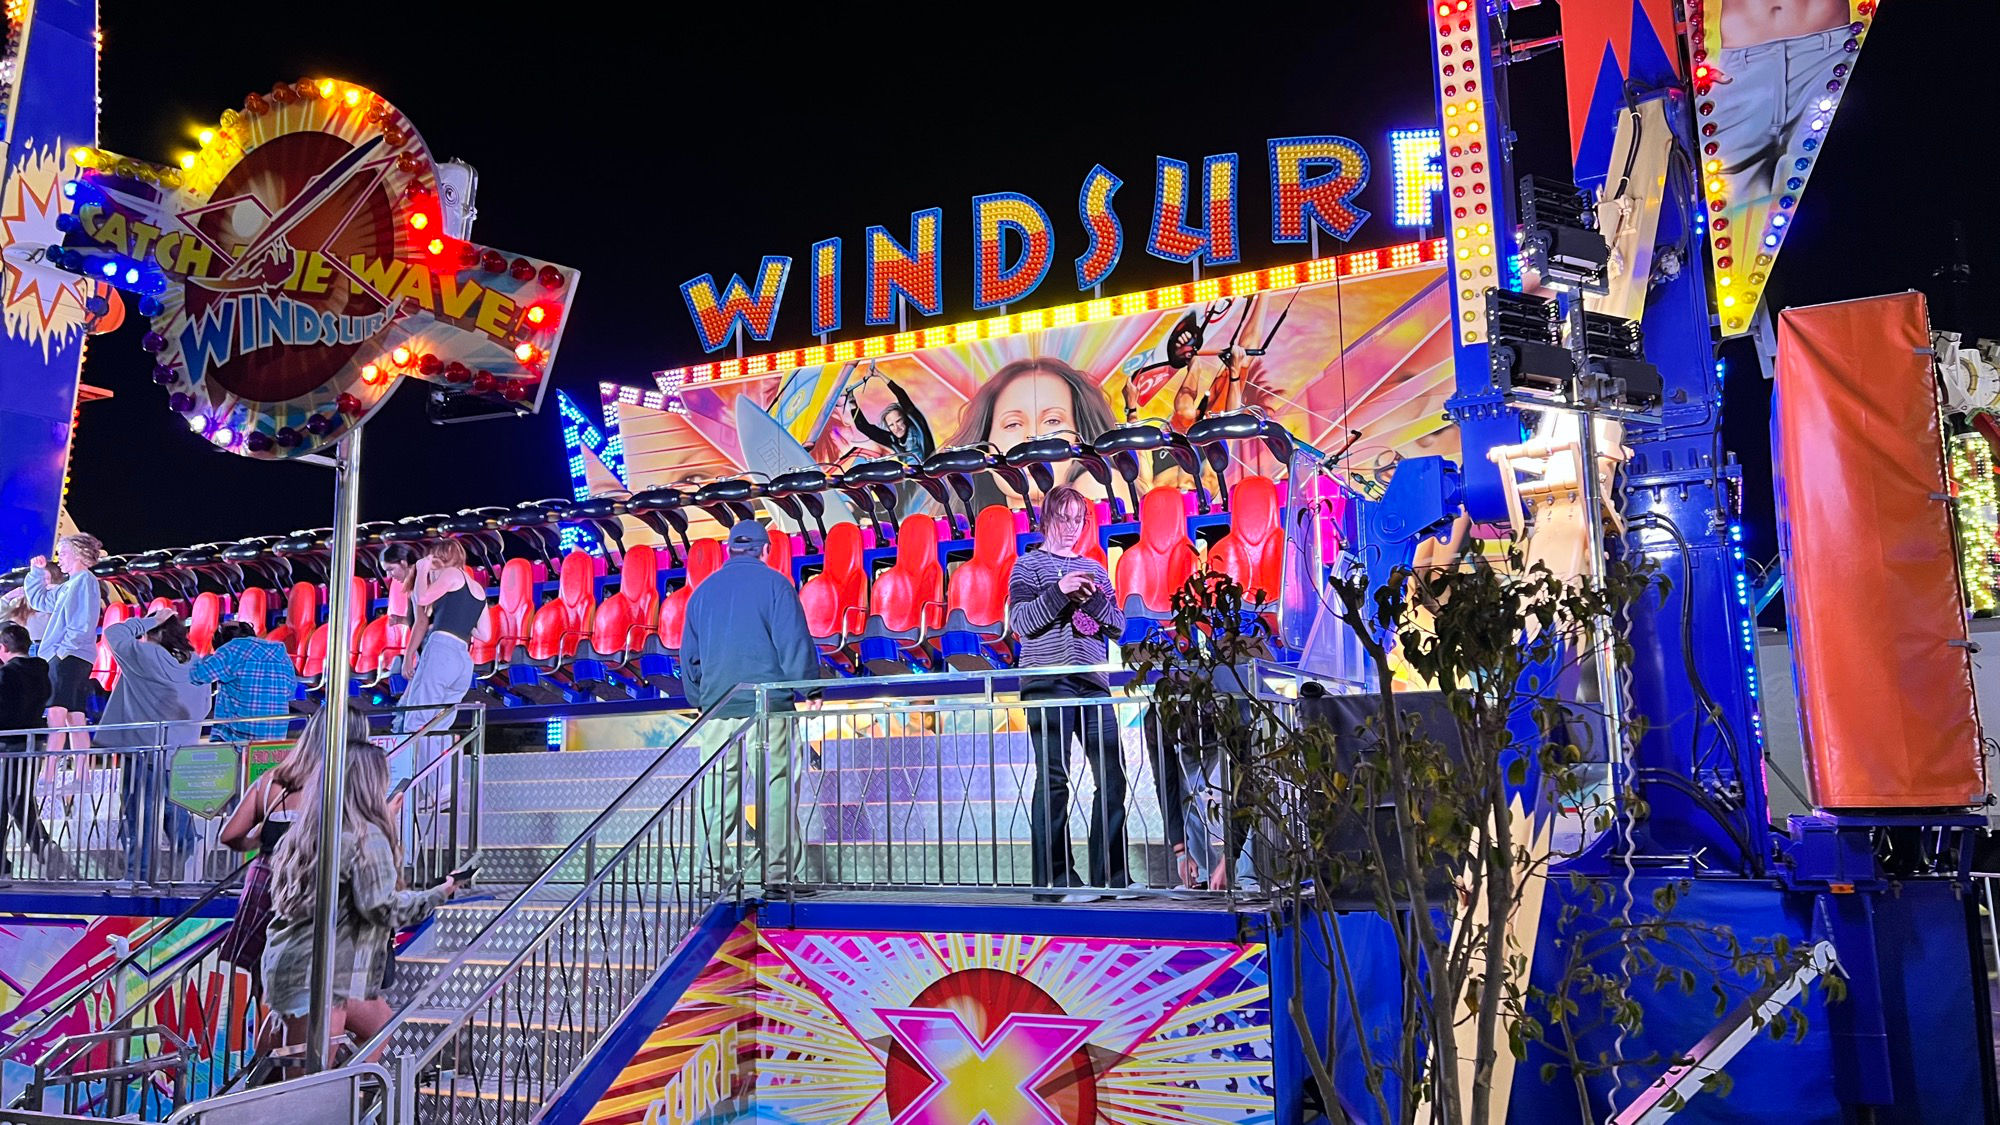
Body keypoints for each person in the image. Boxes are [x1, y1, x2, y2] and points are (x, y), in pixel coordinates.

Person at [258, 737, 456, 1056]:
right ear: (369, 786)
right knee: (308, 1084)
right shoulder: (366, 838)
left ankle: (351, 1099)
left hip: (288, 962)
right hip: (325, 972)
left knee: (375, 1027)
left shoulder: (301, 835)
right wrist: (439, 894)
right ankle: (344, 1101)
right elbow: (382, 908)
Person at [1007, 485, 1129, 901]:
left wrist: (1089, 598)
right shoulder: (1027, 566)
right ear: (1047, 519)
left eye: (1079, 519)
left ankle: (1111, 877)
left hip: (1093, 681)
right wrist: (1060, 591)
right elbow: (1021, 621)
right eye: (1065, 518)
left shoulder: (1095, 567)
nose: (1072, 527)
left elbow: (1117, 625)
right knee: (1054, 778)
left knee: (1112, 775)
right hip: (1047, 679)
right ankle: (1053, 882)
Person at [680, 520, 813, 892]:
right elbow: (793, 643)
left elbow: (689, 657)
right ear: (766, 550)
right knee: (776, 787)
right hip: (769, 707)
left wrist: (702, 700)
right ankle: (778, 874)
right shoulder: (776, 585)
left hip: (718, 707)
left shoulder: (702, 593)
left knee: (717, 794)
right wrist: (810, 688)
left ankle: (712, 876)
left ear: (729, 549)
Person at [98, 605, 210, 884]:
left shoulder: (146, 655)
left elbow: (114, 633)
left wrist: (149, 620)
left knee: (140, 815)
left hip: (143, 749)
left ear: (155, 633)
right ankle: (189, 870)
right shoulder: (196, 662)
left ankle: (139, 875)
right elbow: (204, 705)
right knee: (177, 814)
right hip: (181, 750)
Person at [214, 704, 324, 988]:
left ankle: (254, 1029)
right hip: (310, 882)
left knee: (256, 976)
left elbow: (230, 835)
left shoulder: (271, 780)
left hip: (267, 877)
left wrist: (257, 839)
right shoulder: (336, 784)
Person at [1708, 1, 1850, 215]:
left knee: (1823, 203)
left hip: (1825, 55)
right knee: (1735, 218)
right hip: (1737, 71)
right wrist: (1699, 54)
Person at [935, 357, 1120, 514]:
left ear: (1079, 438)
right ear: (985, 445)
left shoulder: (1100, 487)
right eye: (1012, 424)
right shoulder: (975, 524)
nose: (1031, 438)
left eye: (1052, 421)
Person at [391, 540, 488, 789]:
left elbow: (423, 598)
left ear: (439, 558)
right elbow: (484, 633)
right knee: (440, 724)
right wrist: (458, 619)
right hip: (463, 659)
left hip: (442, 651)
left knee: (417, 721)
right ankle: (444, 787)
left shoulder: (451, 574)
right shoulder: (477, 587)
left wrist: (423, 569)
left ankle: (417, 788)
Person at [20, 535, 103, 758]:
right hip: (70, 654)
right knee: (74, 716)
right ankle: (81, 775)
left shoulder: (84, 580)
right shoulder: (70, 585)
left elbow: (82, 622)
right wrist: (36, 572)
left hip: (69, 655)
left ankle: (48, 774)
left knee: (57, 713)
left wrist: (62, 649)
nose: (59, 559)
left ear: (78, 554)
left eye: (63, 553)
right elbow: (40, 600)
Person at [0, 622, 60, 883]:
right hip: (32, 745)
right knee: (20, 800)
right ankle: (43, 845)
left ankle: (3, 865)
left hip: (7, 746)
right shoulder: (42, 672)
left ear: (3, 648)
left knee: (4, 804)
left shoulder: (7, 675)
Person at [190, 621, 296, 745]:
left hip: (239, 740)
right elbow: (290, 691)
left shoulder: (232, 649)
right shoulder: (281, 653)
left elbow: (197, 675)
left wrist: (209, 658)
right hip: (276, 737)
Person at [849, 370, 936, 464]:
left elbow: (902, 396)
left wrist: (879, 374)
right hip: (910, 477)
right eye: (891, 425)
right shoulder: (892, 439)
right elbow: (863, 427)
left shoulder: (918, 428)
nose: (896, 428)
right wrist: (852, 402)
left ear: (905, 420)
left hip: (930, 474)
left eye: (898, 421)